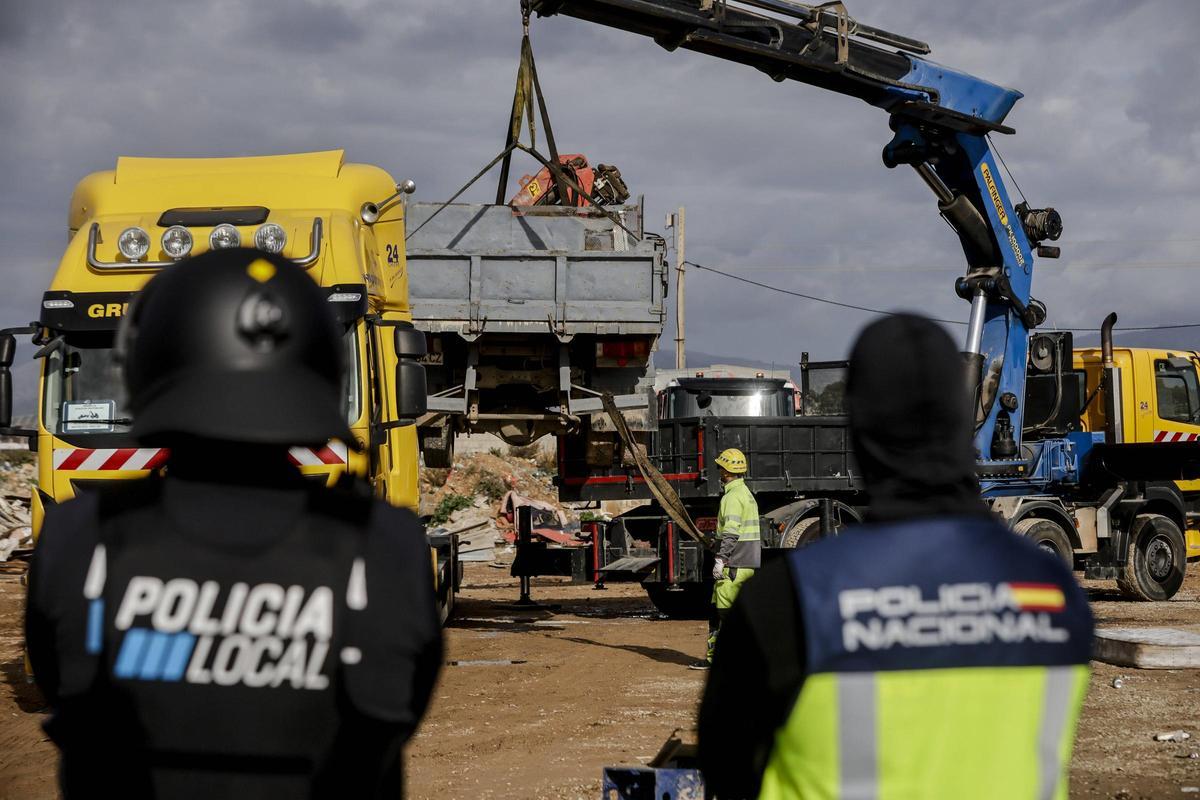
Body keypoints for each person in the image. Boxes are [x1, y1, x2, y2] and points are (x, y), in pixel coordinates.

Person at [25, 248, 443, 798]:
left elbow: (63, 693)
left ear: (142, 363)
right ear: (324, 365)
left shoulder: (79, 540)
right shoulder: (388, 547)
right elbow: (399, 712)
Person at [697, 313, 1094, 799]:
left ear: (858, 431)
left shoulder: (787, 603)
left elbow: (725, 773)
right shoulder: (1056, 597)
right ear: (962, 418)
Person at [690, 447, 761, 670]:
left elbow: (731, 532)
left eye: (721, 468)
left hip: (733, 565)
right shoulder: (746, 495)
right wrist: (715, 543)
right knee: (719, 611)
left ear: (726, 472)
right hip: (744, 564)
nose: (719, 472)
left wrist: (721, 558)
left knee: (724, 614)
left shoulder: (731, 498)